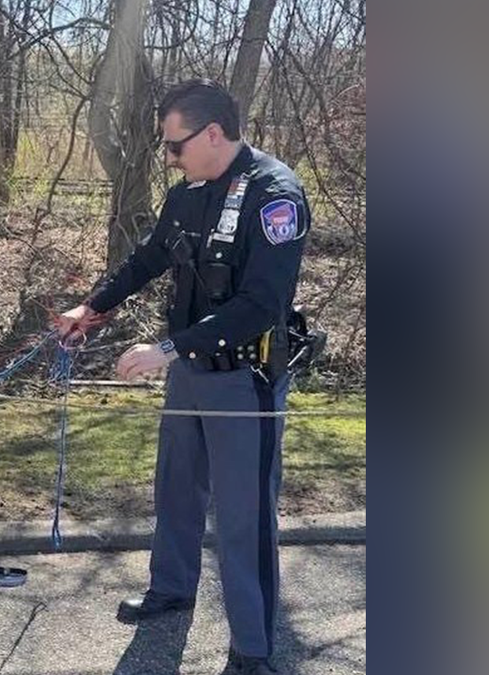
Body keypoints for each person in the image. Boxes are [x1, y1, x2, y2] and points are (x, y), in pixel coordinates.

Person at [54, 78, 311, 675]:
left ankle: (252, 647)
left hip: (244, 383)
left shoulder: (275, 195)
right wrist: (89, 310)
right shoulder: (188, 194)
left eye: (176, 146)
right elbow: (146, 259)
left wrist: (166, 349)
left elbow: (261, 305)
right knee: (176, 487)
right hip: (188, 374)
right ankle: (172, 587)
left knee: (244, 515)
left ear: (213, 134)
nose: (170, 157)